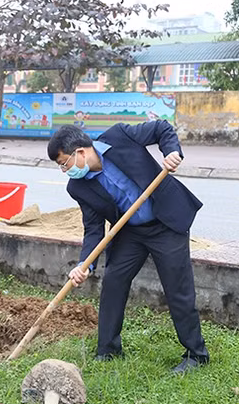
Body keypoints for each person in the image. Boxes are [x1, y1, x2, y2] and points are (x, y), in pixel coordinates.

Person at [47, 122, 209, 374]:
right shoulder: (78, 187)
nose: (64, 170)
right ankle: (108, 350)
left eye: (64, 163)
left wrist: (171, 152)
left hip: (165, 222)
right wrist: (84, 264)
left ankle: (196, 354)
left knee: (178, 288)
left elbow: (161, 129)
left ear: (80, 152)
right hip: (130, 232)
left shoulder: (118, 136)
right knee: (113, 282)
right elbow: (92, 228)